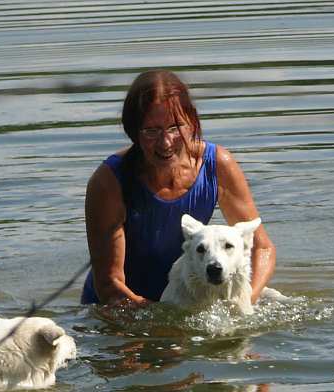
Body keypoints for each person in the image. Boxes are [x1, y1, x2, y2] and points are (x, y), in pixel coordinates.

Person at [81, 70, 276, 306]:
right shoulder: (109, 182)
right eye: (151, 131)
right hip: (121, 310)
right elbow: (109, 284)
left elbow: (262, 247)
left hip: (189, 298)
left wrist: (245, 301)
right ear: (133, 131)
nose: (165, 143)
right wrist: (166, 323)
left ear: (192, 122)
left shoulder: (218, 165)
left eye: (175, 127)